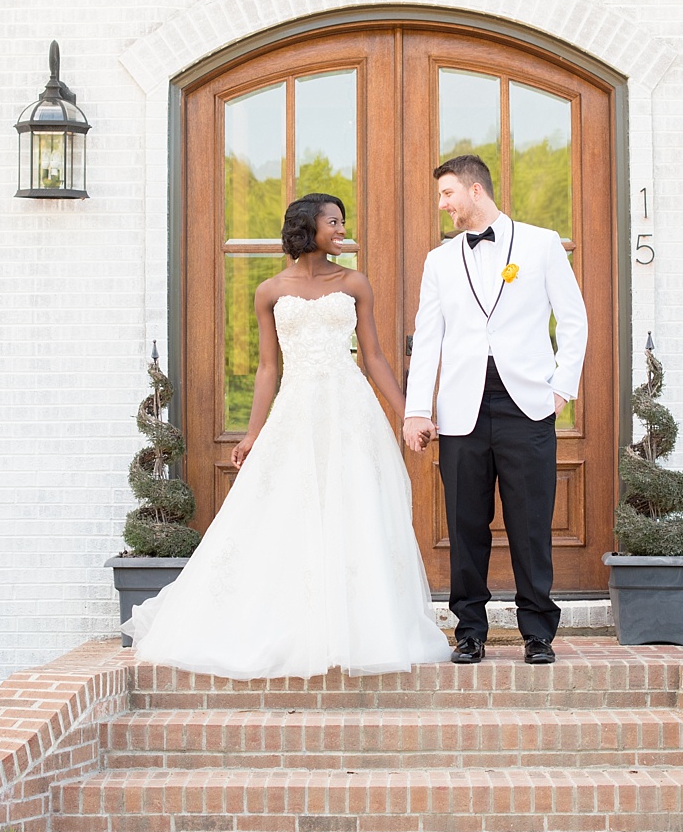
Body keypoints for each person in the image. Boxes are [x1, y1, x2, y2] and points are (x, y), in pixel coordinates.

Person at [121, 193, 450, 679]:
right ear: (305, 228)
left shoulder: (355, 282)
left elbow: (375, 357)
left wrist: (409, 415)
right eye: (333, 222)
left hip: (350, 411)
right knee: (289, 511)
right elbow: (267, 367)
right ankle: (294, 625)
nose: (342, 229)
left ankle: (363, 628)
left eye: (343, 221)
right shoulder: (269, 291)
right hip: (297, 411)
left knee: (355, 509)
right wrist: (253, 433)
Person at [403, 155, 588, 666]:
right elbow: (429, 337)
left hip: (526, 403)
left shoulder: (540, 243)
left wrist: (561, 387)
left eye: (447, 194)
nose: (442, 204)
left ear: (475, 190)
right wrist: (417, 409)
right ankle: (470, 630)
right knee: (465, 522)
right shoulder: (439, 260)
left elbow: (574, 320)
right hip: (461, 408)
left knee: (531, 520)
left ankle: (537, 632)